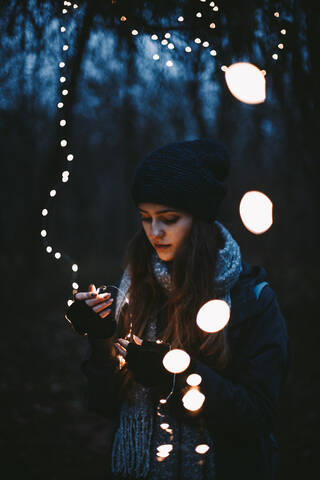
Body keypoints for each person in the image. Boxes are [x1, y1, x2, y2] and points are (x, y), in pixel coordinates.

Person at [65, 139, 290, 480]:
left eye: (169, 218)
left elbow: (259, 417)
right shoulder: (136, 289)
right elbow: (104, 404)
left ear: (200, 221)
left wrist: (176, 375)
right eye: (145, 218)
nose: (155, 232)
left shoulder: (252, 299)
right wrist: (101, 340)